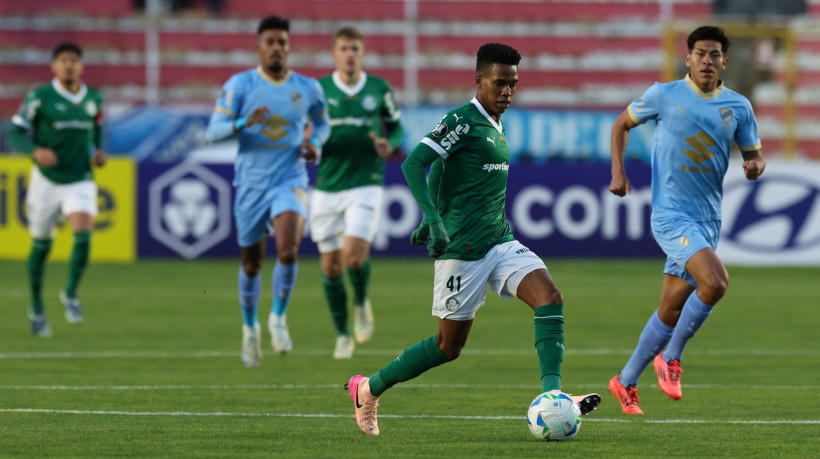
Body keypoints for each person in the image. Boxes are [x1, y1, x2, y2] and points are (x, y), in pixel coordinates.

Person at [344, 43, 600, 436]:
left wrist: (435, 216)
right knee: (448, 347)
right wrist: (434, 220)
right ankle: (368, 389)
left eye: (513, 84)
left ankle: (554, 396)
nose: (507, 92)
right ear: (479, 80)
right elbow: (415, 163)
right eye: (499, 83)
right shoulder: (462, 120)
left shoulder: (498, 123)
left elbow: (445, 170)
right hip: (461, 251)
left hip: (500, 241)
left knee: (550, 298)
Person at [607, 26, 765, 414]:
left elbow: (754, 153)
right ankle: (671, 358)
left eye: (714, 55)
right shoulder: (664, 94)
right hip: (671, 216)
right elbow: (621, 124)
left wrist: (754, 165)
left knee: (670, 308)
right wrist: (618, 172)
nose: (706, 61)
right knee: (715, 283)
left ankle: (625, 381)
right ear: (688, 58)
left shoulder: (739, 107)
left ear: (724, 61)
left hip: (708, 220)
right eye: (700, 53)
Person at [204, 15, 330, 369]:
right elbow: (212, 132)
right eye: (270, 42)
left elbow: (322, 123)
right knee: (252, 262)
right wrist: (245, 122)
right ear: (259, 47)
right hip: (250, 185)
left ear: (289, 47)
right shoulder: (240, 85)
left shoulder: (308, 87)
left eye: (282, 42)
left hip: (289, 179)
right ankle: (249, 328)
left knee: (288, 251)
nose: (277, 48)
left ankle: (277, 317)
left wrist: (315, 144)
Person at [310, 26, 404, 359]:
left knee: (354, 256)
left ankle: (362, 301)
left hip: (366, 183)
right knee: (331, 268)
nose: (350, 54)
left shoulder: (379, 89)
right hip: (327, 186)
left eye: (355, 49)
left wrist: (388, 144)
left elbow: (396, 128)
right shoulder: (319, 90)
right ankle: (342, 333)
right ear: (334, 53)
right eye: (344, 49)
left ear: (362, 54)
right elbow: (306, 130)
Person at [8, 42, 106, 337]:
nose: (68, 65)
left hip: (80, 178)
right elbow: (15, 131)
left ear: (81, 66)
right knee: (40, 245)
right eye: (63, 60)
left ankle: (70, 294)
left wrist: (98, 151)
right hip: (46, 181)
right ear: (54, 66)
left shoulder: (93, 98)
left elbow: (97, 126)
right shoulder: (40, 96)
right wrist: (34, 151)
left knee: (84, 230)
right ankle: (36, 307)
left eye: (74, 60)